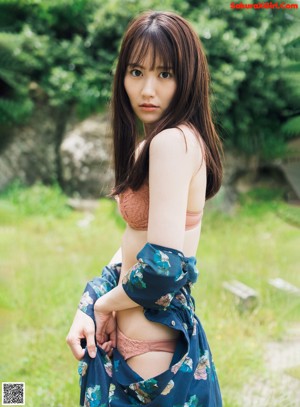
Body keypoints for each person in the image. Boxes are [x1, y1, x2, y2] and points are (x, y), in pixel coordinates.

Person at [67, 10, 223, 407]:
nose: (147, 89)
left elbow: (163, 267)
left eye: (164, 74)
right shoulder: (161, 143)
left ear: (187, 77)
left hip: (150, 358)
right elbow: (134, 248)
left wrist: (104, 304)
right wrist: (91, 300)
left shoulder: (171, 143)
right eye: (136, 72)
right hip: (145, 348)